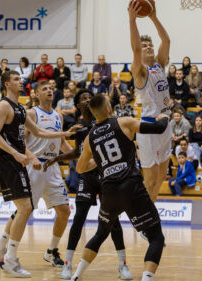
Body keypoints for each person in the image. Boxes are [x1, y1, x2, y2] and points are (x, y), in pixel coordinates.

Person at [0, 70, 75, 277]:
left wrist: (66, 134)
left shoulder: (20, 109)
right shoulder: (3, 105)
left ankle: (4, 252)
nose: (21, 81)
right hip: (14, 160)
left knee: (27, 208)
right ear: (7, 84)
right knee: (25, 208)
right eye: (16, 79)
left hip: (35, 164)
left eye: (20, 78)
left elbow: (40, 132)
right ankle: (8, 257)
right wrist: (21, 154)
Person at [71, 93, 168, 281]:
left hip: (109, 191)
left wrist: (101, 163)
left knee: (101, 233)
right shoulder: (123, 122)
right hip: (131, 187)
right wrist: (164, 116)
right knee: (156, 238)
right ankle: (146, 278)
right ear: (108, 109)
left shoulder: (89, 138)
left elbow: (81, 167)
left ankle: (76, 276)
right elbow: (158, 128)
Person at [42, 89, 132, 280]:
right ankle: (67, 264)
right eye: (83, 98)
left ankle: (123, 265)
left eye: (90, 97)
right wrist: (57, 157)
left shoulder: (106, 122)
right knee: (79, 218)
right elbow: (78, 152)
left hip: (107, 177)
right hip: (87, 178)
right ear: (78, 105)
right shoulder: (79, 128)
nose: (88, 99)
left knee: (113, 221)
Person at [23, 81, 79, 267]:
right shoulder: (31, 113)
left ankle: (52, 250)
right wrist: (31, 157)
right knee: (25, 210)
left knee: (64, 211)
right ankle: (5, 247)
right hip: (35, 166)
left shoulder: (58, 115)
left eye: (50, 89)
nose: (49, 91)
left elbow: (62, 142)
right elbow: (20, 141)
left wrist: (76, 156)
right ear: (36, 94)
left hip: (52, 167)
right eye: (44, 89)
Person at [128, 0, 172, 202]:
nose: (148, 47)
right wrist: (132, 20)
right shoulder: (140, 71)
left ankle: (150, 212)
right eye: (145, 45)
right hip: (148, 125)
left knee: (162, 177)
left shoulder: (160, 65)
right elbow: (136, 50)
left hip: (166, 122)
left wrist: (153, 16)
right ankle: (142, 216)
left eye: (150, 44)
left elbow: (167, 40)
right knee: (150, 179)